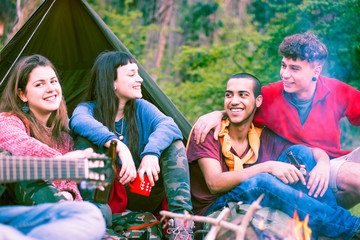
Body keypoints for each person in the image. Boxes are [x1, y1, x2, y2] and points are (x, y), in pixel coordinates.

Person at [193, 32, 360, 209]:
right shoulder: (270, 95)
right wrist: (218, 114)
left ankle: (328, 227)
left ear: (316, 71)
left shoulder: (336, 90)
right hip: (302, 165)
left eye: (294, 69)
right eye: (283, 66)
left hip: (330, 161)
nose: (285, 74)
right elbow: (240, 108)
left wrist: (324, 163)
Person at [187, 73, 360, 239]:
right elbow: (214, 183)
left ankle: (333, 230)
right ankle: (352, 227)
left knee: (300, 153)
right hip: (214, 210)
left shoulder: (261, 135)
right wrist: (267, 166)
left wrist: (323, 164)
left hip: (247, 201)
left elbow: (309, 152)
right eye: (229, 95)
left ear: (258, 101)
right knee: (262, 181)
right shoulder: (208, 131)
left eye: (243, 95)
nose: (234, 101)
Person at [69, 51, 194, 239]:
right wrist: (118, 146)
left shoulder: (141, 107)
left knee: (174, 145)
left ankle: (181, 227)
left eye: (138, 73)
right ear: (112, 82)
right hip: (105, 197)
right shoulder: (88, 110)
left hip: (143, 191)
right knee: (85, 141)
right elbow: (77, 121)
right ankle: (95, 223)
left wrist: (151, 153)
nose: (140, 79)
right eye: (132, 74)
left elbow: (169, 125)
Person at [0, 55, 106, 239]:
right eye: (39, 84)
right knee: (19, 163)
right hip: (11, 208)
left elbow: (70, 185)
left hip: (43, 213)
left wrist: (68, 195)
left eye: (53, 81)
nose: (51, 89)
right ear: (22, 94)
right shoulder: (7, 120)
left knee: (95, 214)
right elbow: (21, 145)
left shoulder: (64, 138)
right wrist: (60, 162)